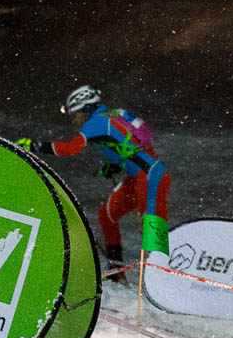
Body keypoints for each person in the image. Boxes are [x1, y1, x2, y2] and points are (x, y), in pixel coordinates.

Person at [49, 85, 169, 270]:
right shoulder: (109, 117)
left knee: (153, 228)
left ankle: (165, 274)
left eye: (75, 115)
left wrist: (34, 146)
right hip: (138, 176)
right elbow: (129, 146)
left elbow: (70, 148)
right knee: (106, 215)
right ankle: (116, 272)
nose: (74, 121)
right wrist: (114, 165)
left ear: (85, 108)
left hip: (151, 175)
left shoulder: (97, 121)